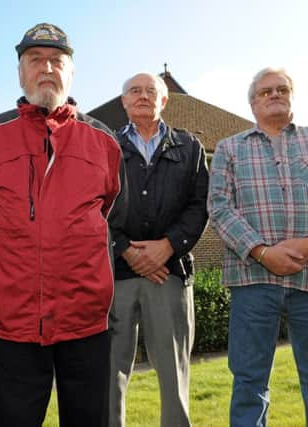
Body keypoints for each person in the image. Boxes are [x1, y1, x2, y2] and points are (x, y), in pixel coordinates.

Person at [0, 22, 127, 427]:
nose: (47, 68)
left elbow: (115, 217)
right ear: (20, 72)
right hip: (10, 319)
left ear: (71, 72)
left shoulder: (103, 140)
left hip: (85, 318)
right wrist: (11, 251)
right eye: (35, 60)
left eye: (57, 61)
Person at [208, 67, 308, 426]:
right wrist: (262, 251)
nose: (275, 94)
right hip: (253, 280)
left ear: (292, 96)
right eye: (266, 91)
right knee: (249, 381)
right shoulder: (229, 149)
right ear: (252, 102)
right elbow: (219, 207)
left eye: (282, 89)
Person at [109, 73, 208, 427]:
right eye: (134, 90)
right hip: (114, 274)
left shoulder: (190, 147)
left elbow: (200, 206)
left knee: (173, 371)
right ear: (123, 101)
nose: (143, 96)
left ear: (164, 101)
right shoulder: (103, 145)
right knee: (109, 373)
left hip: (171, 272)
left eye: (151, 91)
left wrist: (167, 247)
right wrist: (126, 250)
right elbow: (91, 205)